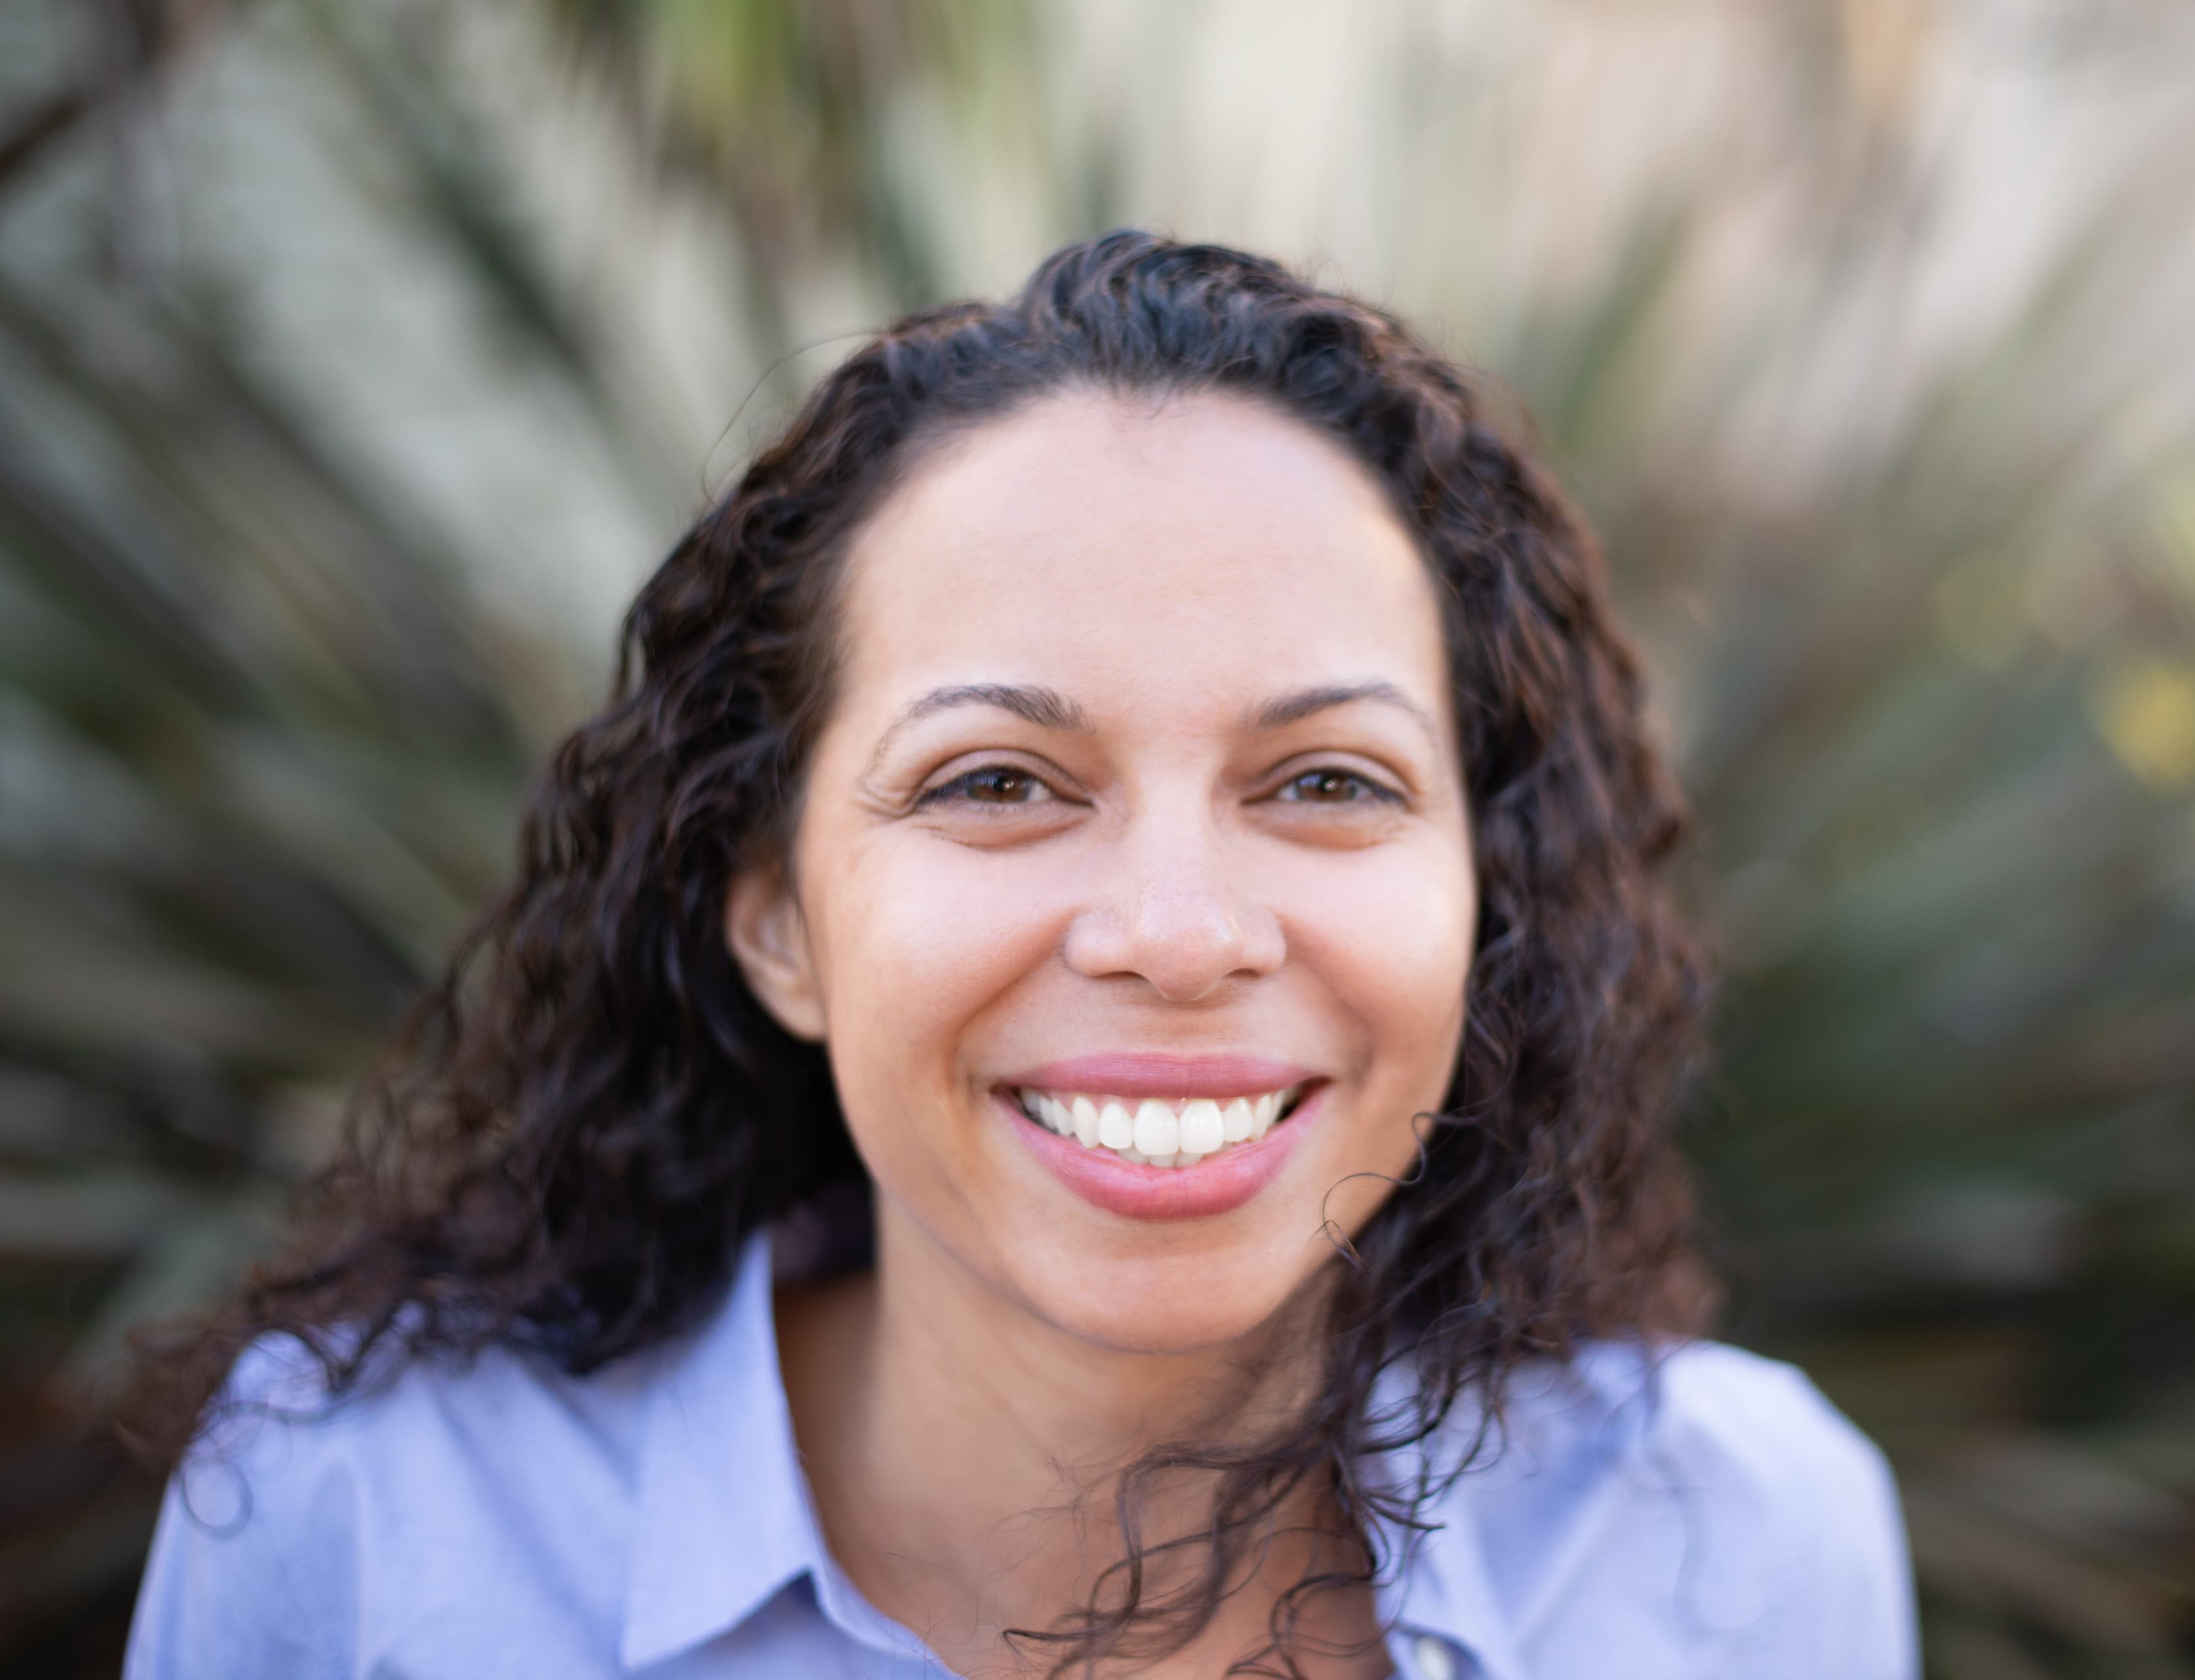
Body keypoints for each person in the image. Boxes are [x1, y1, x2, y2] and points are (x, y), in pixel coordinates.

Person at [121, 233, 1916, 1679]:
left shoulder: (1741, 1548)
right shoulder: (372, 1516)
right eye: (997, 781)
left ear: (1481, 896)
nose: (1178, 933)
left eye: (1325, 781)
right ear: (777, 915)